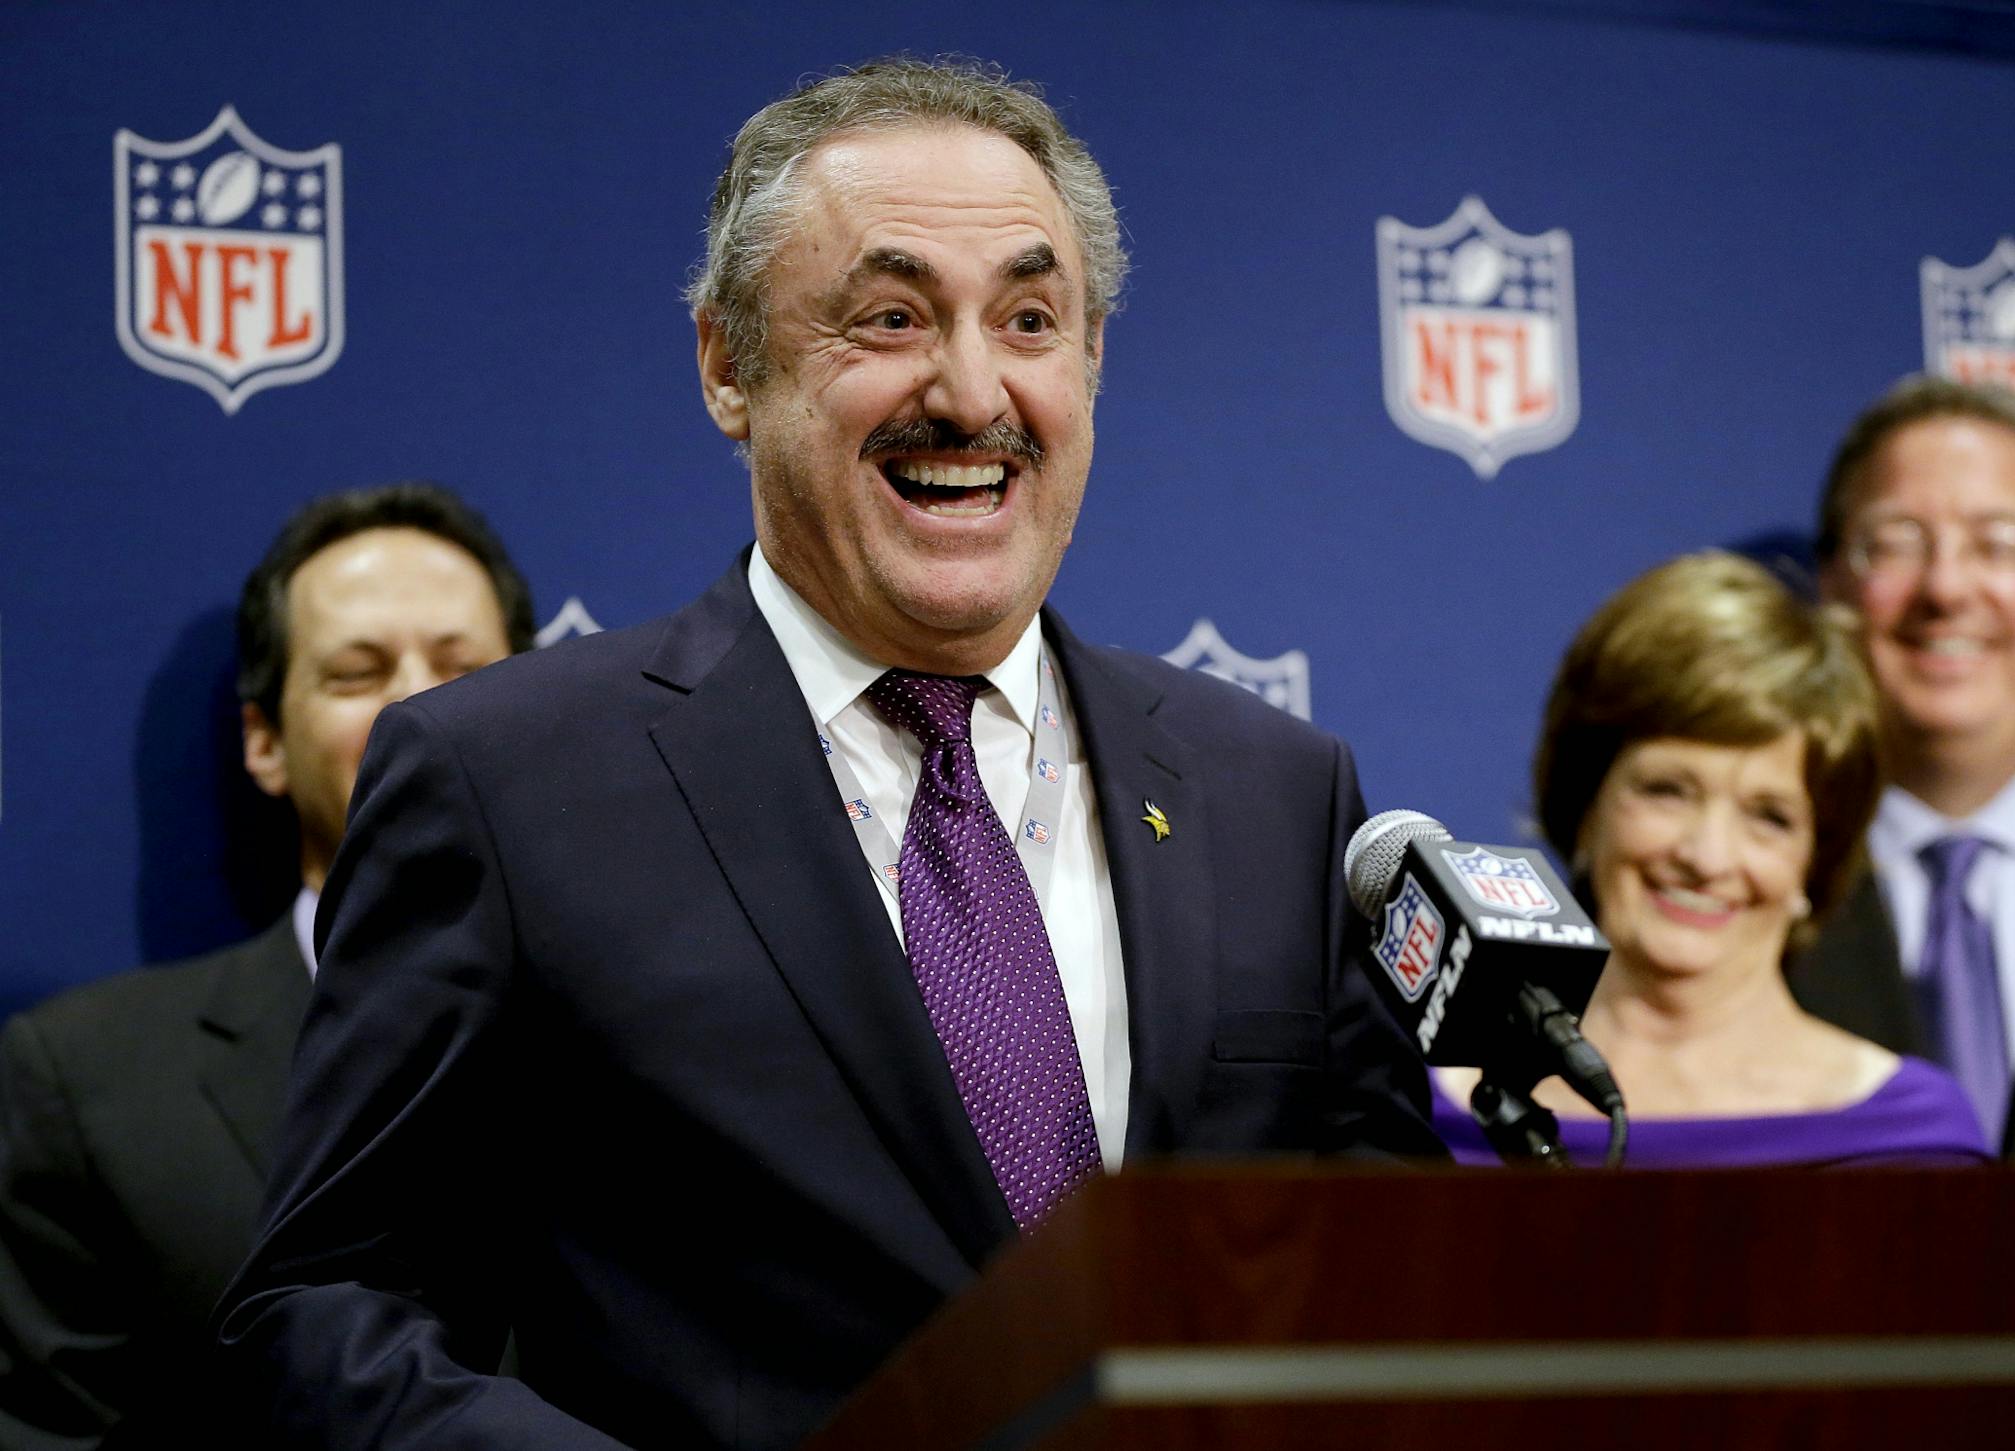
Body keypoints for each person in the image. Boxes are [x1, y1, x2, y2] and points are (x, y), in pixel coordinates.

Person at [214, 58, 1433, 1449]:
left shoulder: (1273, 788)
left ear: (1092, 362)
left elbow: (1383, 1283)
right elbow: (323, 1306)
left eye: (1032, 319)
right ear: (730, 365)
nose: (972, 392)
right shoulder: (506, 783)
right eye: (891, 316)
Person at [0, 483, 532, 1448]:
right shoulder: (85, 1083)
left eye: (464, 666)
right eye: (357, 673)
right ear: (263, 741)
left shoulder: (696, 1033)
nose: (418, 703)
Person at [1430, 552, 1988, 1167]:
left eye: (1768, 817)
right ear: (1588, 806)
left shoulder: (1910, 1141)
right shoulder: (1421, 1116)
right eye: (1668, 791)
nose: (1708, 856)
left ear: (1816, 859)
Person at [1789, 376, 2015, 1160]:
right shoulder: (1736, 887)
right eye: (1896, 541)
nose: (1947, 588)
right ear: (1832, 591)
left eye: (1998, 543)